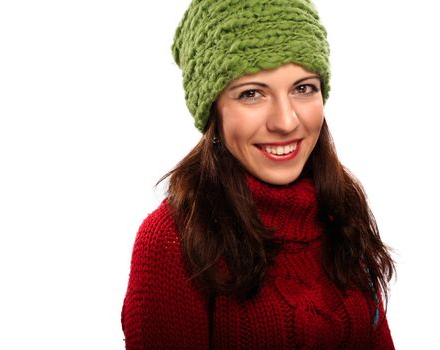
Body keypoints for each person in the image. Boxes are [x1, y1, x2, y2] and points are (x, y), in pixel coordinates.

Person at [121, 0, 396, 349]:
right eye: (252, 94)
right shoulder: (173, 241)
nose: (285, 121)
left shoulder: (341, 211)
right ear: (213, 112)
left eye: (303, 88)